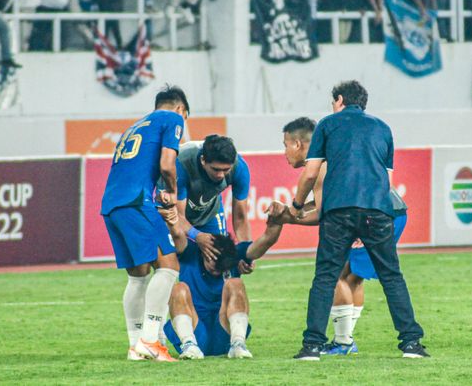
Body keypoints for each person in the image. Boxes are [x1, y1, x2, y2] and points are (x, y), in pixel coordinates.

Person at [286, 80, 427, 361]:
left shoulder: (328, 125)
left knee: (326, 277)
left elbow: (311, 173)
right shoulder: (383, 129)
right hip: (377, 210)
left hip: (338, 211)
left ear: (340, 100)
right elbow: (386, 181)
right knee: (391, 276)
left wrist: (296, 205)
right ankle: (411, 343)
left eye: (332, 102)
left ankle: (312, 345)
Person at [270, 116, 410, 355]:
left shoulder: (320, 168)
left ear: (297, 144)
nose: (284, 152)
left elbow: (326, 216)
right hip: (392, 211)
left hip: (377, 214)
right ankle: (345, 340)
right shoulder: (331, 159)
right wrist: (295, 211)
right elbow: (324, 205)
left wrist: (289, 217)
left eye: (285, 145)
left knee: (336, 275)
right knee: (352, 275)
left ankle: (343, 342)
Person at [100, 85, 190, 362]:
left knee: (138, 275)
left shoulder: (135, 126)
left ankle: (134, 344)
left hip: (111, 204)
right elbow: (167, 164)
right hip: (136, 201)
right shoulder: (172, 118)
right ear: (181, 109)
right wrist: (172, 194)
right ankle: (150, 341)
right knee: (170, 265)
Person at [158, 203, 284, 359]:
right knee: (178, 288)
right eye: (213, 268)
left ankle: (238, 344)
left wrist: (277, 221)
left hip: (224, 331)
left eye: (221, 269)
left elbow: (266, 241)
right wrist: (171, 217)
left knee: (235, 283)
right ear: (206, 253)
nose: (217, 272)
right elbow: (177, 234)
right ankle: (189, 345)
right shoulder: (189, 252)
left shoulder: (233, 254)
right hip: (194, 328)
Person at [158, 135, 252, 262]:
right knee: (176, 265)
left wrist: (245, 254)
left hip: (208, 214)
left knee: (220, 262)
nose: (220, 175)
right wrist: (197, 235)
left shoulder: (239, 168)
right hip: (174, 216)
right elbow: (176, 215)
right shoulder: (181, 164)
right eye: (216, 169)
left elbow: (240, 218)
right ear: (203, 160)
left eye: (226, 170)